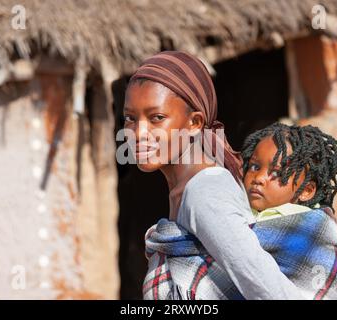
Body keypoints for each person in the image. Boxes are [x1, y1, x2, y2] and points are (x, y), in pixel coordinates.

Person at [124, 50, 306, 300]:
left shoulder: (204, 192)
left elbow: (270, 290)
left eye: (157, 118)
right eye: (130, 118)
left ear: (195, 123)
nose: (138, 132)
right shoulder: (185, 191)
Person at [241, 122, 337, 299]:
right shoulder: (236, 207)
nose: (259, 178)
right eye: (255, 167)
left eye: (277, 173)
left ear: (306, 191)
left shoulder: (309, 226)